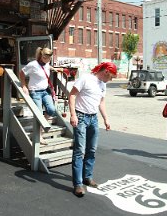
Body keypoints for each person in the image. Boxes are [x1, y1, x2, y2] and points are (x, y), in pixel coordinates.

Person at [68, 62, 117, 197]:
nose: (111, 79)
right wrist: (73, 115)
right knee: (79, 151)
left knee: (92, 150)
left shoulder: (103, 84)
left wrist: (106, 119)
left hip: (93, 118)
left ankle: (87, 177)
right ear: (106, 71)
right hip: (81, 117)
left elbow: (101, 102)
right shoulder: (85, 78)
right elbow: (72, 95)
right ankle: (78, 184)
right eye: (111, 76)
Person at [19, 47, 63, 144]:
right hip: (35, 92)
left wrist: (54, 69)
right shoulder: (33, 65)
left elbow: (47, 67)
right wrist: (24, 86)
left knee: (51, 110)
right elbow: (21, 73)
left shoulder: (46, 64)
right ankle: (39, 136)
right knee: (38, 114)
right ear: (41, 56)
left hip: (45, 91)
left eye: (49, 58)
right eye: (45, 58)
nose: (47, 60)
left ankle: (40, 129)